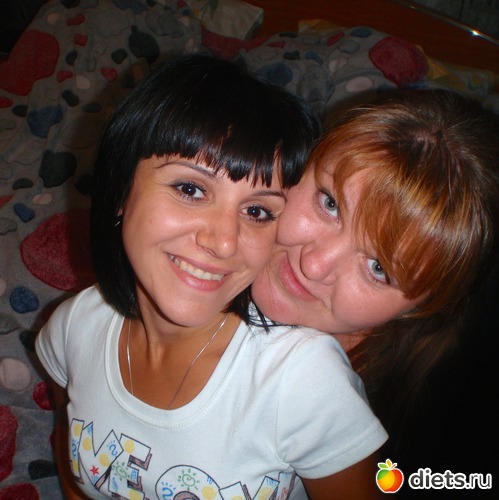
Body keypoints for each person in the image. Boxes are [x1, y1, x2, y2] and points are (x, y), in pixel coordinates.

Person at [35, 54, 388, 499]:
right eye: (190, 189)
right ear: (121, 189)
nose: (223, 242)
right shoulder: (74, 326)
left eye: (257, 211)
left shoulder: (300, 378)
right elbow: (70, 448)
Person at [251, 88, 499, 470]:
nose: (314, 265)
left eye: (379, 268)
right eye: (330, 204)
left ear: (422, 307)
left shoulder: (414, 444)